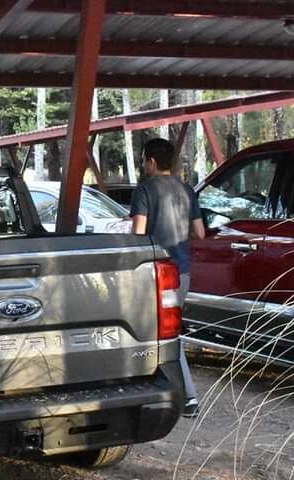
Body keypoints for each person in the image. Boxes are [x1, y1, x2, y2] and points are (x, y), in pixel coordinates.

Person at [130, 138, 206, 418]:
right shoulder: (186, 190)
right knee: (168, 331)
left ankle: (187, 397)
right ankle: (174, 392)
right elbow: (200, 233)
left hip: (155, 273)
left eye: (142, 160)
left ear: (150, 161)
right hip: (182, 271)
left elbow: (138, 235)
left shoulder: (145, 190)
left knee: (161, 333)